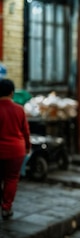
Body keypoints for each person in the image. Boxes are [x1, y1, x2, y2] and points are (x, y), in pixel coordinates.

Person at [0, 79, 31, 220]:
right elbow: (26, 132)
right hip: (16, 151)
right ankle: (6, 208)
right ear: (12, 93)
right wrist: (28, 147)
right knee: (11, 179)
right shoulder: (19, 109)